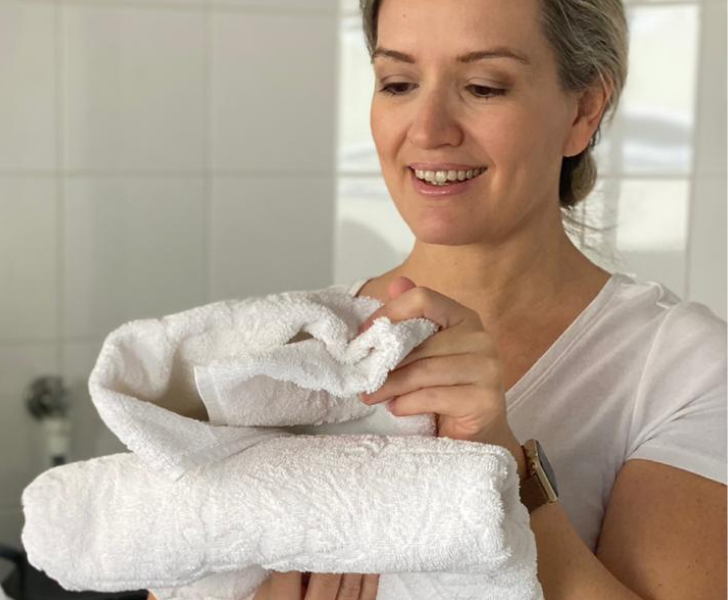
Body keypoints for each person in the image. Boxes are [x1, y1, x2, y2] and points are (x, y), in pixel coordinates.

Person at [153, 0, 727, 598]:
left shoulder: (680, 369)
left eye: (483, 87)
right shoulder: (282, 356)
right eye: (398, 83)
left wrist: (501, 466)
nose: (428, 130)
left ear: (584, 110)